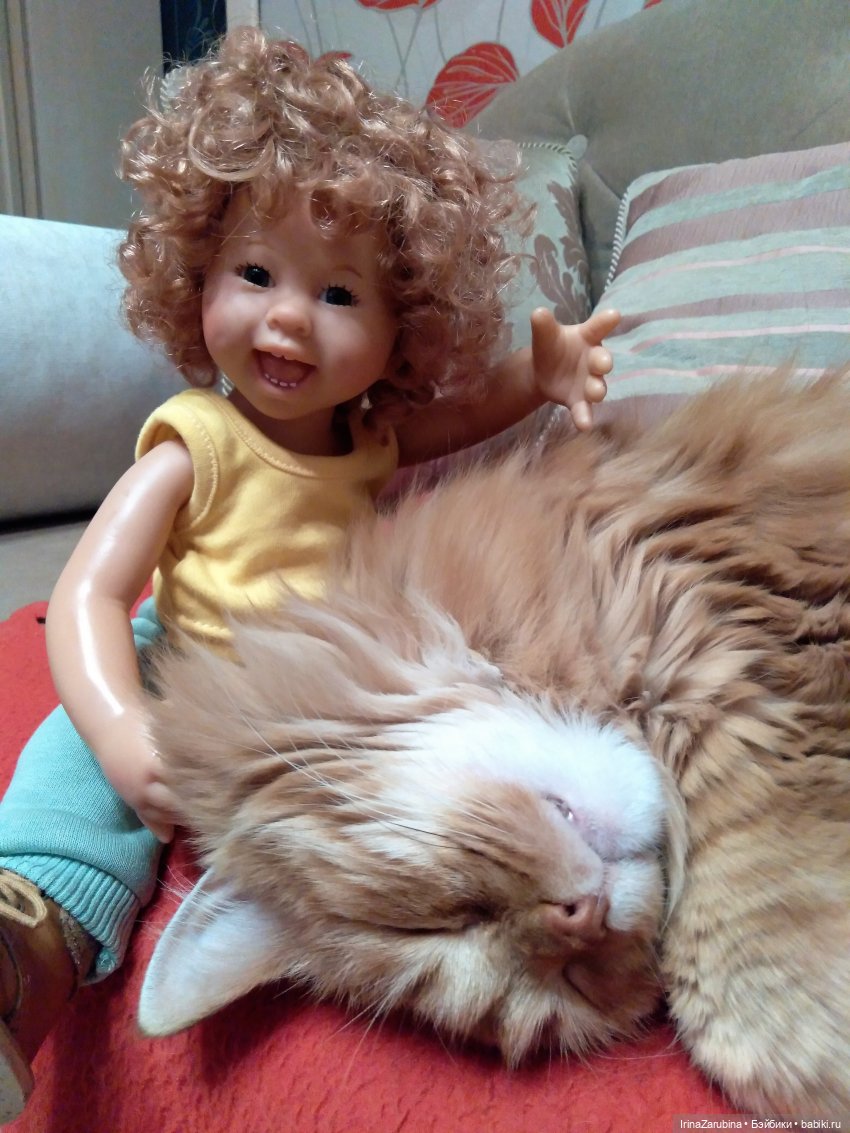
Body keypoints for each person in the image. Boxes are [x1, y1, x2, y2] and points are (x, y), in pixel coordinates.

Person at [0, 27, 618, 1119]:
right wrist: (120, 728)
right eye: (255, 273)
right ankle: (26, 936)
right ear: (195, 275)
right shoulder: (195, 442)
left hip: (331, 683)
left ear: (399, 332)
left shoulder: (370, 437)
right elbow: (92, 593)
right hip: (188, 661)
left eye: (339, 294)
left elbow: (461, 419)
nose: (288, 314)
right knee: (77, 763)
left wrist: (541, 372)